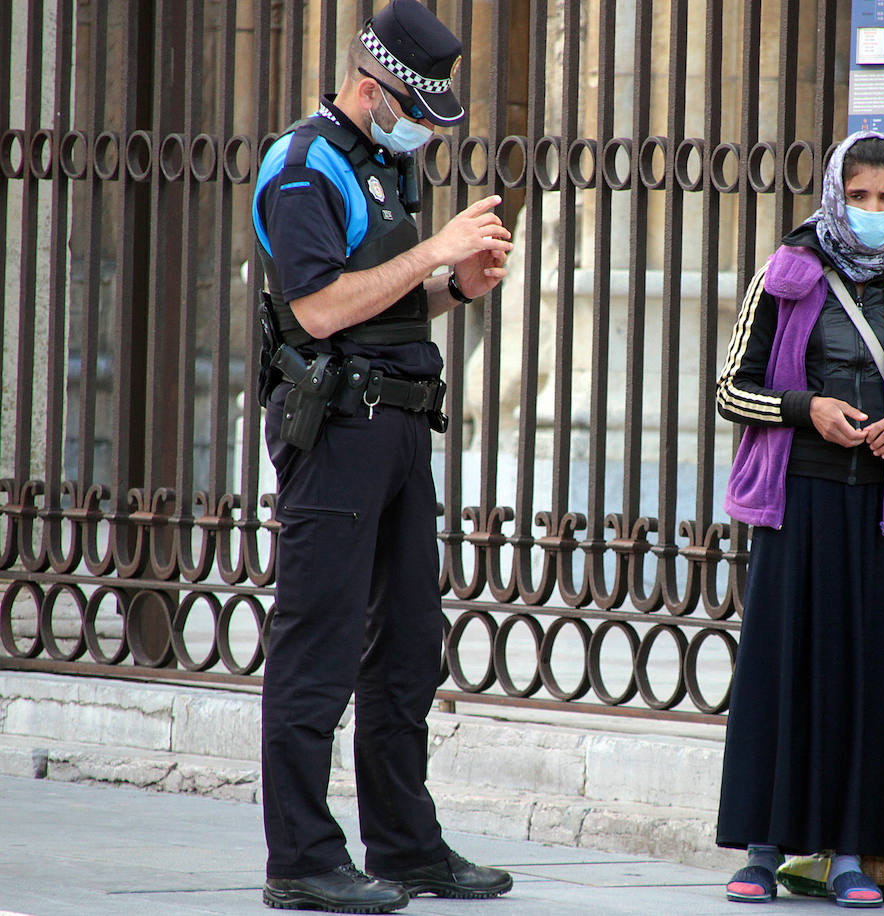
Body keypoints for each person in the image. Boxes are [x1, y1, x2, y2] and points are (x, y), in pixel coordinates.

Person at [251, 2, 514, 912]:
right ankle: (304, 859)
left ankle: (405, 847)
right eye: (415, 114)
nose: (423, 136)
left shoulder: (383, 164)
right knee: (318, 644)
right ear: (372, 88)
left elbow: (385, 304)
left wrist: (452, 287)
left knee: (408, 647)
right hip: (336, 431)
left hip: (401, 425)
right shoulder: (303, 168)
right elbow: (320, 309)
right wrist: (434, 251)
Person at [714, 130, 884, 909]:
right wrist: (807, 409)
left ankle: (854, 856)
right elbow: (733, 389)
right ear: (834, 196)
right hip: (799, 501)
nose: (871, 212)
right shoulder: (785, 276)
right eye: (858, 197)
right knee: (784, 668)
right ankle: (763, 850)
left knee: (874, 679)